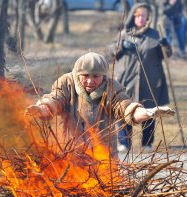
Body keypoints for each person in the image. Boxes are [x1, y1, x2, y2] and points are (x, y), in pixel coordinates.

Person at [25, 52, 174, 157]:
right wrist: (42, 108)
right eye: (85, 76)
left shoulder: (112, 88)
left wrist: (148, 113)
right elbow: (56, 99)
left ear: (103, 76)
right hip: (69, 153)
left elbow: (126, 108)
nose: (90, 81)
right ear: (77, 74)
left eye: (96, 76)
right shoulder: (66, 83)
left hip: (104, 157)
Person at [109, 2, 172, 152]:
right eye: (138, 16)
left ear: (148, 18)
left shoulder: (154, 35)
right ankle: (124, 142)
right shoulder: (124, 34)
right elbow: (112, 50)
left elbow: (166, 55)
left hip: (149, 80)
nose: (140, 19)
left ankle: (147, 143)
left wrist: (165, 45)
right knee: (124, 110)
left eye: (143, 16)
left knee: (149, 111)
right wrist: (122, 45)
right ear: (133, 17)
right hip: (126, 80)